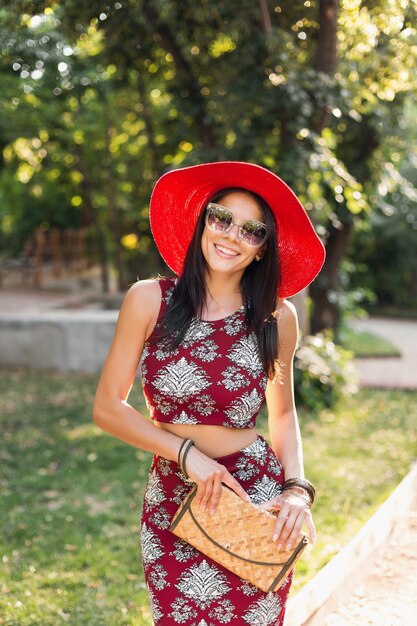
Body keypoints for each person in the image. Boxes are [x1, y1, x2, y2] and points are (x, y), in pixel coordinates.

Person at [93, 161, 325, 626]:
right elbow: (107, 409)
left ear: (262, 249)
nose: (232, 235)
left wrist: (297, 490)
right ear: (203, 223)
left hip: (253, 497)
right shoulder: (149, 300)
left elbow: (282, 417)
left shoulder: (277, 318)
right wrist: (186, 455)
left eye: (252, 230)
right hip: (174, 497)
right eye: (221, 218)